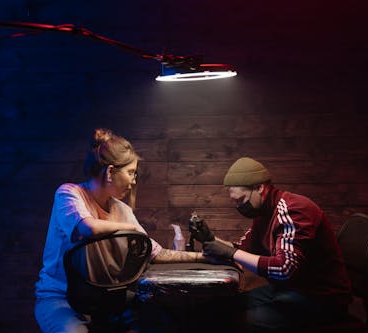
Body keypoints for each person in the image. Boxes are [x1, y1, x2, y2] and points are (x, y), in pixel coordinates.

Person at [34, 128, 202, 333]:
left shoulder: (122, 210)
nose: (133, 181)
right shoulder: (69, 194)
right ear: (110, 172)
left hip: (102, 304)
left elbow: (155, 252)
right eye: (131, 172)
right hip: (61, 300)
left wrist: (202, 256)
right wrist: (130, 228)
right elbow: (87, 227)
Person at [191, 157, 352, 331]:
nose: (239, 206)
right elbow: (244, 249)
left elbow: (284, 269)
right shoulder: (264, 212)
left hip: (321, 297)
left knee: (243, 320)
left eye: (241, 199)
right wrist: (209, 239)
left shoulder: (292, 210)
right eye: (235, 201)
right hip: (292, 289)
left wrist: (230, 253)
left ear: (260, 188)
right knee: (225, 306)